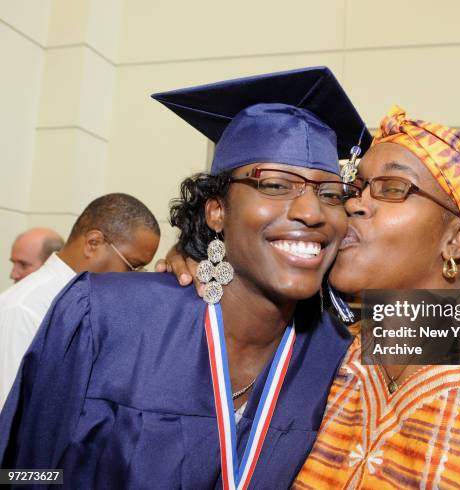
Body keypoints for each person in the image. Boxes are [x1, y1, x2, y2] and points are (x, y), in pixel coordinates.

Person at [165, 107, 460, 489]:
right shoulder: (335, 353)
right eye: (354, 188)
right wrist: (200, 261)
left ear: (455, 240)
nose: (355, 205)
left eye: (394, 189)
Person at [0, 67, 371, 489]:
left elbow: (456, 342)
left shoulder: (340, 354)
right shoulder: (104, 316)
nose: (312, 211)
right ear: (217, 211)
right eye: (274, 185)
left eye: (330, 194)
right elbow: (22, 468)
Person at [0, 193, 160, 407]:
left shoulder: (94, 303)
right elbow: (9, 417)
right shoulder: (24, 309)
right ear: (93, 243)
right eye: (132, 265)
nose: (132, 278)